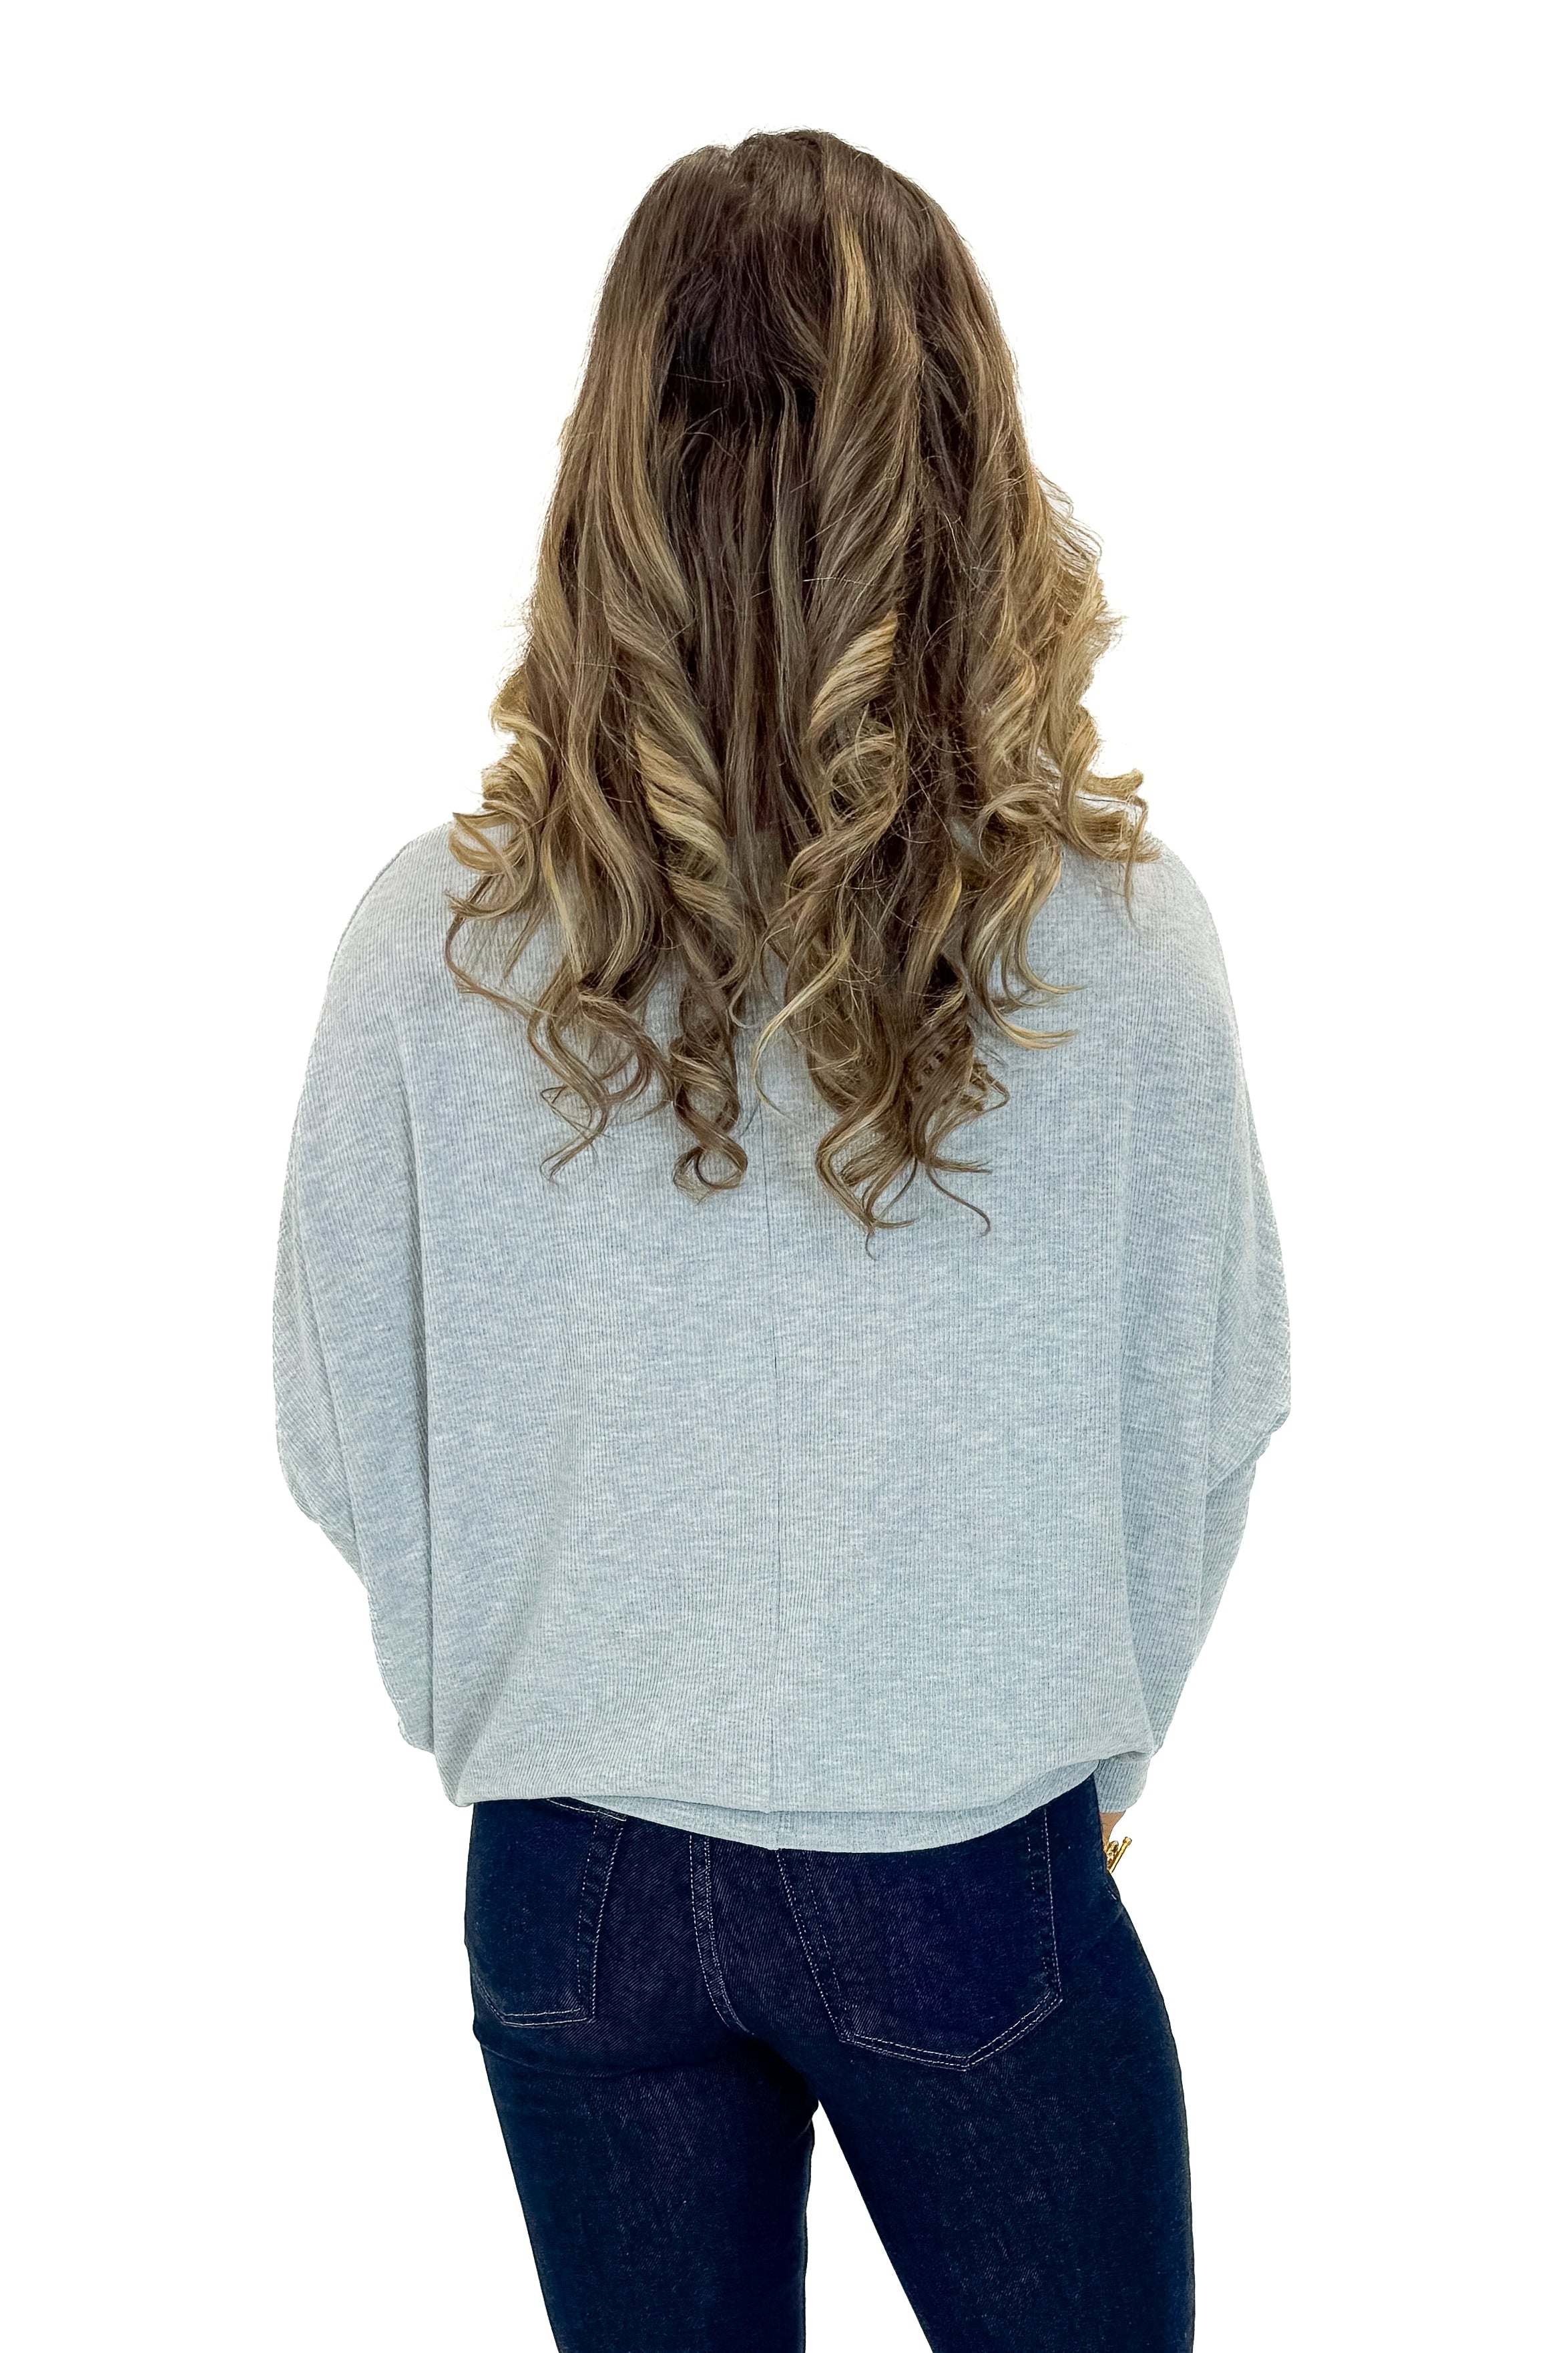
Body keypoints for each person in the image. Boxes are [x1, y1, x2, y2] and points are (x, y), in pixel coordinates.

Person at [273, 128, 1289, 2353]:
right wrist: (1081, 1755)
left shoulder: (428, 945)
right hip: (966, 1867)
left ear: (610, 475)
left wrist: (524, 1698)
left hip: (569, 1876)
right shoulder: (1116, 951)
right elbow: (1206, 1415)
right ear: (964, 471)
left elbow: (343, 1427)